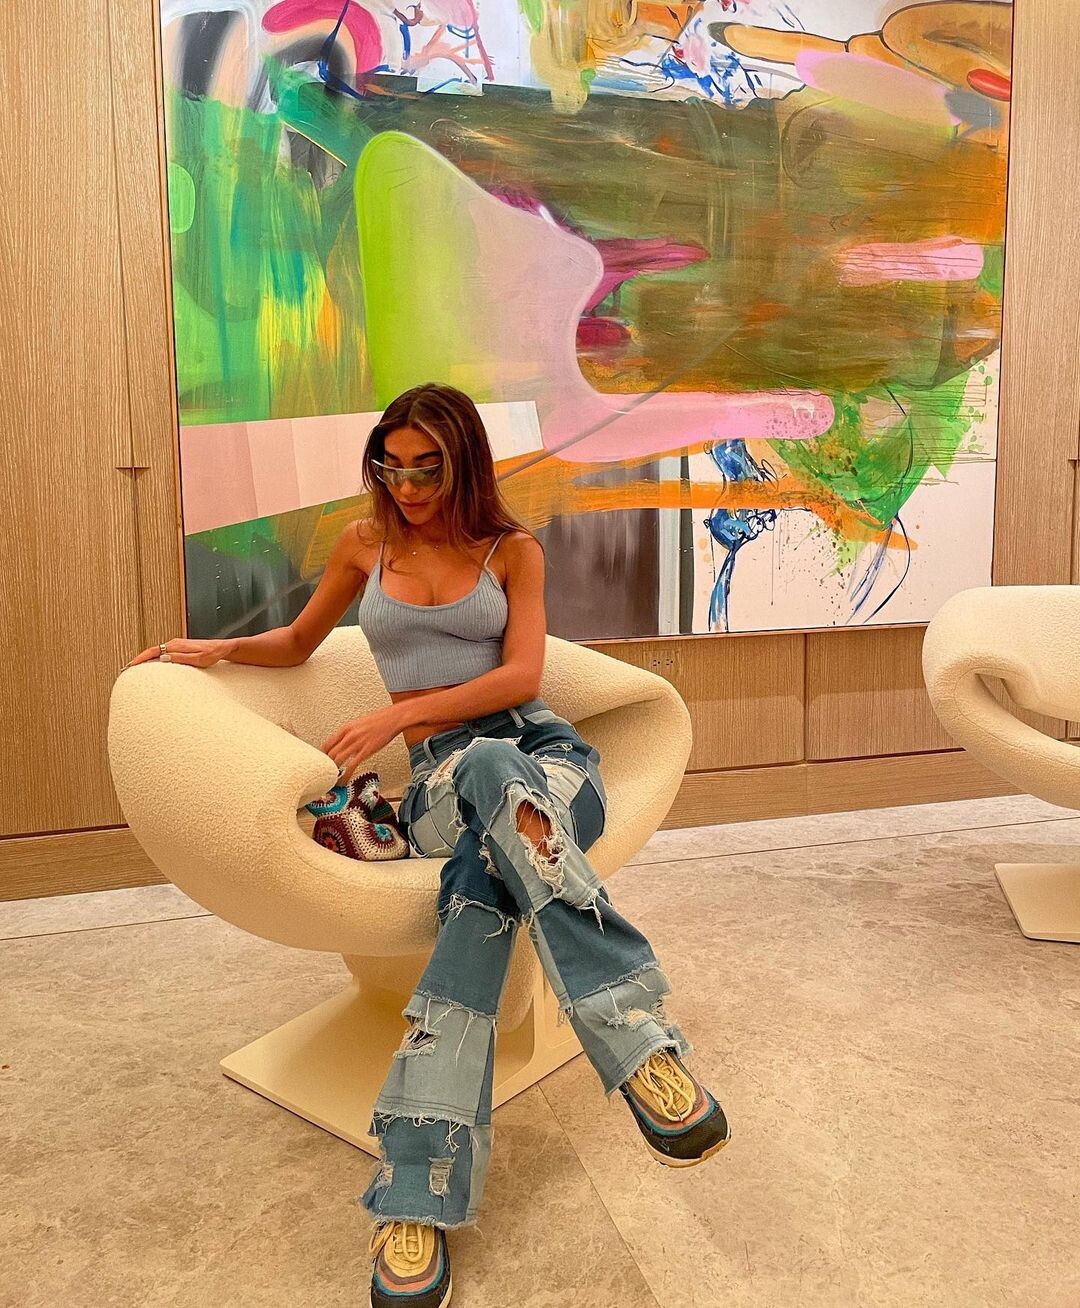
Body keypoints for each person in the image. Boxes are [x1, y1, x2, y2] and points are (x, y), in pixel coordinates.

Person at [126, 382, 730, 1308]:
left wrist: (394, 716)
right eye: (393, 466)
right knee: (482, 768)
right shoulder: (361, 544)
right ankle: (636, 1039)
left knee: (484, 872)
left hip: (551, 765)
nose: (407, 487)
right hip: (445, 780)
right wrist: (213, 650)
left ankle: (417, 1187)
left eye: (428, 468)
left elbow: (523, 676)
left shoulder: (512, 550)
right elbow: (297, 641)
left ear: (464, 464)